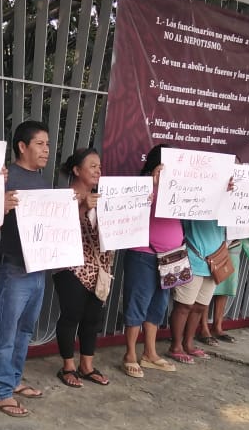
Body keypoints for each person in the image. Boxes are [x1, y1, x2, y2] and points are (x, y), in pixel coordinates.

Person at [0, 120, 51, 416]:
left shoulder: (40, 179)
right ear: (22, 146)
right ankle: (0, 391)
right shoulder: (5, 177)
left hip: (38, 267)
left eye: (48, 145)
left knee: (25, 330)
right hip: (14, 267)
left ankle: (12, 380)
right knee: (6, 330)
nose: (46, 150)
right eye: (39, 144)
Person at [52, 148, 114, 387]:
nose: (98, 170)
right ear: (77, 170)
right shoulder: (62, 198)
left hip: (98, 267)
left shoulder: (104, 198)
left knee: (93, 317)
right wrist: (81, 208)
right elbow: (57, 229)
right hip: (70, 267)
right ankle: (68, 366)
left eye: (99, 166)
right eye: (92, 166)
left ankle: (87, 365)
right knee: (72, 314)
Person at [120, 145, 178, 378]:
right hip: (143, 253)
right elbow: (129, 210)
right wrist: (152, 183)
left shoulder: (180, 187)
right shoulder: (141, 185)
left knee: (158, 305)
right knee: (137, 303)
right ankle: (130, 354)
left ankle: (150, 353)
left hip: (171, 256)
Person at [167, 218, 225, 362]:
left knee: (200, 306)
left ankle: (188, 343)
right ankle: (175, 346)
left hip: (215, 261)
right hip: (192, 258)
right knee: (184, 305)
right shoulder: (197, 196)